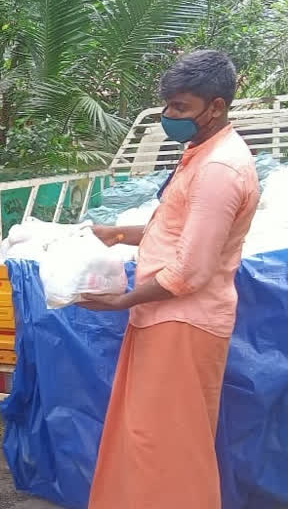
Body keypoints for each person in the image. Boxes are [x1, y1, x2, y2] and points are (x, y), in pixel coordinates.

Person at [80, 50, 259, 509]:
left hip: (182, 321)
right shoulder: (200, 154)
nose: (169, 117)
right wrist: (119, 234)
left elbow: (191, 270)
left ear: (215, 107)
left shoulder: (219, 169)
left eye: (180, 108)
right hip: (162, 316)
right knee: (141, 438)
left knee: (168, 448)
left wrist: (121, 300)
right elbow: (178, 231)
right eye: (168, 106)